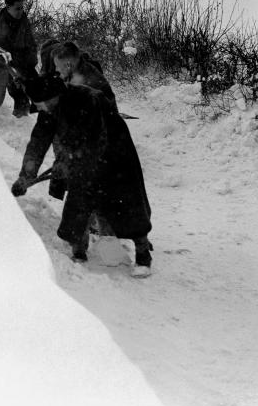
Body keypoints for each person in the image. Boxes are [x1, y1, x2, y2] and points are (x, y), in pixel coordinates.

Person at [11, 75, 154, 276]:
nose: (40, 108)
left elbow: (96, 139)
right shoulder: (49, 108)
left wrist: (69, 161)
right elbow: (38, 141)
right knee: (78, 202)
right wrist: (26, 175)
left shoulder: (90, 99)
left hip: (116, 156)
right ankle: (78, 250)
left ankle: (143, 256)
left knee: (126, 205)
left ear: (54, 96)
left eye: (41, 104)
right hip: (81, 159)